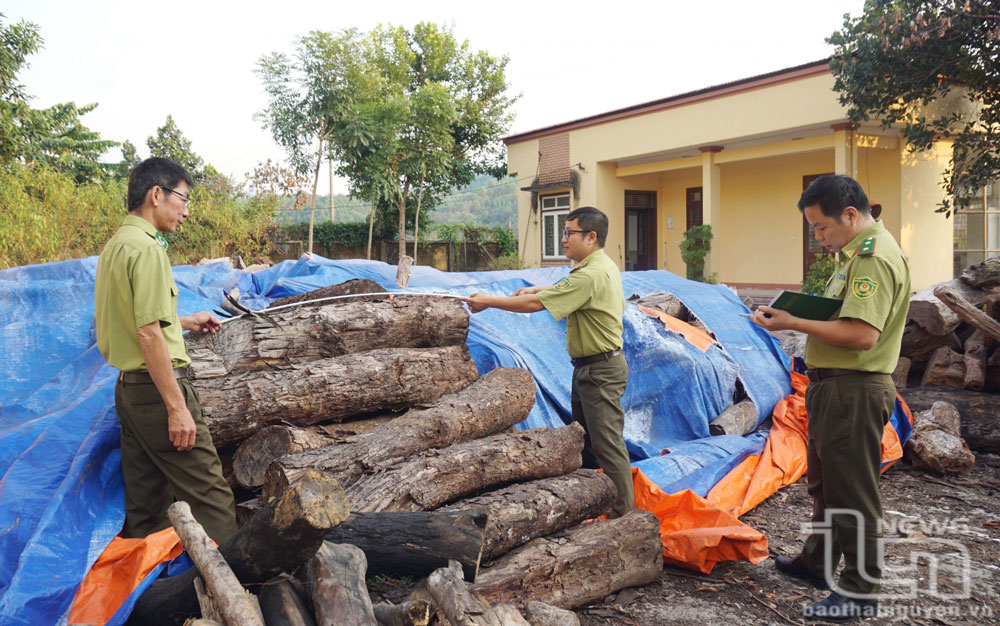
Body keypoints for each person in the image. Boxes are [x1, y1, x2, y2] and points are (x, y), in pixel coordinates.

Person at [751, 175, 910, 622]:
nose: (818, 238)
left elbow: (862, 334)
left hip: (853, 389)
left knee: (853, 494)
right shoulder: (854, 254)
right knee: (825, 487)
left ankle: (860, 591)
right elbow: (841, 318)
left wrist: (792, 322)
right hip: (833, 386)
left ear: (851, 215)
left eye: (821, 228)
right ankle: (817, 562)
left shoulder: (873, 259)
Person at [95, 157, 238, 544]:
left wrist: (187, 321)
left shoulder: (117, 245)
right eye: (183, 199)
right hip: (158, 394)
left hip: (129, 391)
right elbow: (148, 335)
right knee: (212, 497)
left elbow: (137, 318)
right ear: (156, 195)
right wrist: (176, 408)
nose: (186, 212)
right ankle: (245, 590)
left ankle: (152, 599)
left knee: (146, 506)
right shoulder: (148, 249)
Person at [462, 206, 635, 518]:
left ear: (591, 237)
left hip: (600, 372)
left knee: (607, 446)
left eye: (569, 233)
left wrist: (489, 301)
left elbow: (533, 304)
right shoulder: (597, 267)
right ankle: (596, 503)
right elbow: (560, 291)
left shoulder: (592, 273)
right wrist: (536, 287)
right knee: (587, 442)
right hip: (590, 369)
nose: (564, 239)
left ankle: (624, 517)